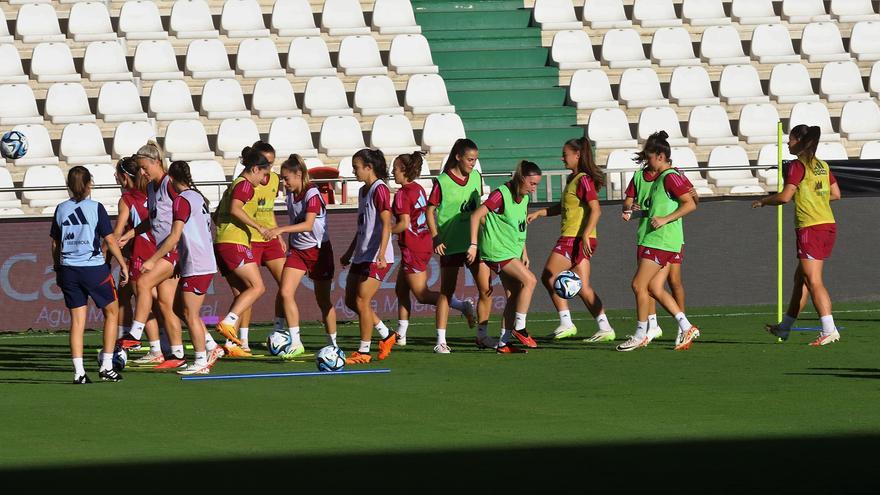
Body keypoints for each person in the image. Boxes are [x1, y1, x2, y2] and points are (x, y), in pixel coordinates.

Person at [753, 124, 841, 346]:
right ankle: (784, 328)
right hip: (827, 224)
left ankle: (829, 329)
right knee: (800, 279)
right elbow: (836, 194)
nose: (788, 144)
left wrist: (764, 201)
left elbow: (784, 197)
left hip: (810, 227)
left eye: (790, 140)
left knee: (813, 280)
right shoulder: (822, 165)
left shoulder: (796, 165)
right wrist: (814, 199)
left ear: (799, 141)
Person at [527, 138, 615, 342]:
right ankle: (605, 327)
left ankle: (566, 322)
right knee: (583, 286)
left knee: (548, 276)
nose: (562, 158)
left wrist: (585, 234)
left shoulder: (583, 179)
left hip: (574, 239)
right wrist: (541, 212)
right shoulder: (573, 179)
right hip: (578, 238)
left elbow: (596, 209)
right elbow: (564, 207)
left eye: (565, 154)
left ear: (577, 155)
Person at [619, 131, 700, 352]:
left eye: (651, 157)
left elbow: (691, 204)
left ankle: (640, 333)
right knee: (654, 287)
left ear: (661, 156)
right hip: (652, 238)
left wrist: (665, 219)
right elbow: (642, 207)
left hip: (662, 240)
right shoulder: (653, 177)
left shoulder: (671, 176)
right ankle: (686, 326)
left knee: (639, 284)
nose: (648, 161)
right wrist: (631, 212)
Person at [51, 166, 129, 383]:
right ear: (88, 185)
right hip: (94, 268)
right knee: (112, 313)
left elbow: (55, 243)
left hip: (69, 269)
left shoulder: (61, 209)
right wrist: (122, 265)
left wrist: (57, 268)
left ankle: (79, 372)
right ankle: (106, 366)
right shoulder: (95, 207)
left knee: (77, 321)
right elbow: (110, 240)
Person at [391, 151, 475, 353]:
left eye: (394, 168)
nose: (392, 172)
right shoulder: (417, 188)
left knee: (422, 295)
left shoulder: (403, 193)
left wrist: (383, 231)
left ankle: (461, 306)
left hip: (413, 247)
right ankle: (401, 334)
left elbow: (403, 224)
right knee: (401, 290)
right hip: (421, 243)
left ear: (404, 170)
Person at [123, 141, 188, 369]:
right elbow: (151, 221)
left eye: (144, 167)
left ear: (156, 162)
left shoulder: (171, 184)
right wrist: (131, 233)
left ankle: (135, 333)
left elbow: (190, 205)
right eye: (139, 168)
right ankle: (179, 353)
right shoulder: (151, 188)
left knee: (143, 283)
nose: (142, 172)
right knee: (165, 305)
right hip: (163, 250)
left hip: (174, 250)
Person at [426, 139, 494, 350]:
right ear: (458, 157)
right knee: (446, 292)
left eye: (475, 160)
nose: (473, 164)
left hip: (474, 243)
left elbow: (479, 209)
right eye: (469, 159)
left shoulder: (475, 176)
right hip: (450, 244)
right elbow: (429, 210)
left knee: (487, 289)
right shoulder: (443, 181)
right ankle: (441, 341)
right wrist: (436, 236)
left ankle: (482, 336)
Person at [266, 154, 337, 358]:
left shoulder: (312, 193)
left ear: (298, 175)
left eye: (286, 178)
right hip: (298, 251)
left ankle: (332, 343)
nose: (284, 183)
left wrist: (280, 230)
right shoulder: (290, 194)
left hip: (319, 251)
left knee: (323, 301)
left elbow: (307, 224)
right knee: (285, 292)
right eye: (282, 179)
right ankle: (296, 342)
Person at [468, 161, 542, 354]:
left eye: (537, 184)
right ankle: (520, 327)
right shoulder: (501, 194)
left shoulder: (524, 197)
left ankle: (504, 343)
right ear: (522, 178)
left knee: (515, 294)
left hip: (512, 252)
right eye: (532, 183)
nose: (534, 188)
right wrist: (474, 245)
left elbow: (520, 227)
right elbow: (476, 216)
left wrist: (524, 252)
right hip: (497, 251)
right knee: (530, 280)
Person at [157, 161, 224, 375]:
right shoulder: (197, 196)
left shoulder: (181, 200)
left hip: (198, 263)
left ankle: (201, 360)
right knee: (179, 308)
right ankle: (211, 347)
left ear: (172, 179)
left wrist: (153, 259)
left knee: (190, 313)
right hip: (198, 261)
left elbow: (174, 236)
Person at [213, 146, 275, 356]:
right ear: (255, 169)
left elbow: (217, 214)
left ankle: (231, 345)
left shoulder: (233, 185)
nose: (264, 179)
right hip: (234, 243)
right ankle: (228, 322)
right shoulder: (246, 185)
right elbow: (235, 209)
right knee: (258, 287)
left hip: (221, 242)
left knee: (242, 294)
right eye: (264, 174)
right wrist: (258, 227)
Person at [340, 149, 396, 364]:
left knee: (362, 300)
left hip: (376, 256)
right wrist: (349, 252)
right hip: (362, 254)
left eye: (356, 167)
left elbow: (386, 223)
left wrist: (381, 253)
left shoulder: (380, 190)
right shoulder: (364, 192)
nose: (354, 171)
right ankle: (386, 334)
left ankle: (364, 350)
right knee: (351, 301)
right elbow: (363, 226)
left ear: (369, 168)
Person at [233, 141, 287, 351]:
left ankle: (279, 331)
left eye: (272, 164)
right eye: (266, 163)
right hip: (250, 239)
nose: (269, 169)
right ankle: (243, 340)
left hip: (269, 237)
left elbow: (269, 209)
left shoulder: (273, 179)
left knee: (286, 285)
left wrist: (278, 232)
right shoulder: (244, 182)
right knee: (250, 290)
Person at [113, 156, 161, 352]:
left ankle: (155, 348)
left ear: (124, 177)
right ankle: (124, 343)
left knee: (150, 302)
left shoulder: (127, 199)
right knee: (124, 296)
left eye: (117, 174)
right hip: (160, 253)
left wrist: (109, 253)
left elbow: (116, 235)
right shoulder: (155, 192)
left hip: (141, 255)